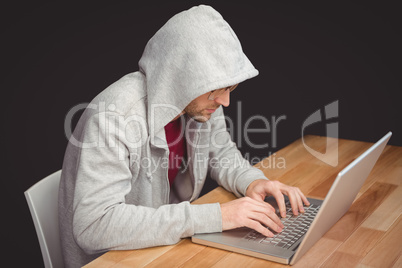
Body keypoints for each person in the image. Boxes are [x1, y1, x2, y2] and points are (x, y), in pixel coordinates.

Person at [58, 5, 309, 267]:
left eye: (230, 88)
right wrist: (217, 217)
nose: (225, 101)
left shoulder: (199, 103)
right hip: (116, 260)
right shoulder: (112, 118)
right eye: (216, 90)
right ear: (180, 78)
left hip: (164, 248)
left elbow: (220, 153)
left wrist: (252, 182)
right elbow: (93, 226)